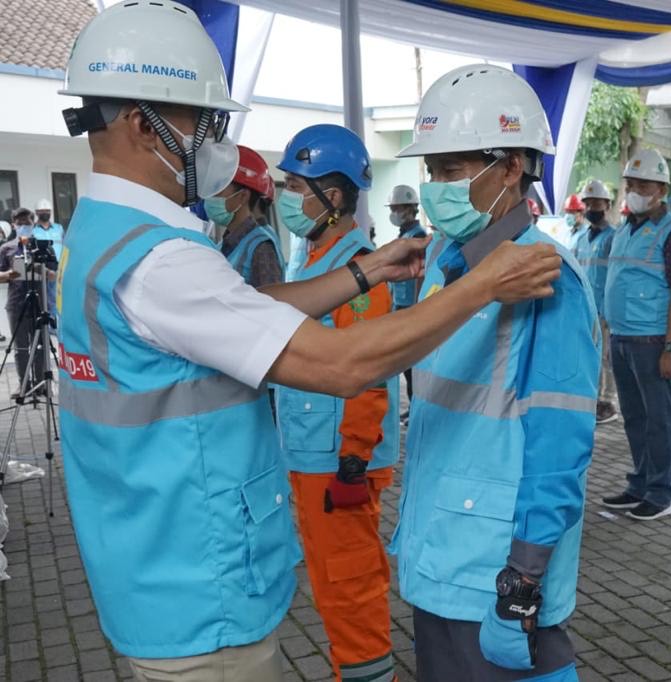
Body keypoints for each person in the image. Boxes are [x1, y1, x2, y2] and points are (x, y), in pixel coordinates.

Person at [55, 5, 562, 680]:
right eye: (205, 124)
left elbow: (240, 312)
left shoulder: (106, 235)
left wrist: (364, 271)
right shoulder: (162, 259)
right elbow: (343, 364)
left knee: (350, 587)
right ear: (142, 124)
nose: (219, 146)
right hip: (199, 590)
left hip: (158, 562)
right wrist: (480, 287)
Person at [392, 63, 600, 682]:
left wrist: (525, 574)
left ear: (511, 167)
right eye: (431, 172)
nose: (436, 189)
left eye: (452, 171)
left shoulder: (548, 279)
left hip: (494, 573)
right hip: (438, 551)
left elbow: (560, 443)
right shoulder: (444, 264)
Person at [272, 124, 400, 682]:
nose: (287, 198)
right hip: (309, 455)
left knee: (350, 585)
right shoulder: (313, 257)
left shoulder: (362, 266)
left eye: (297, 187)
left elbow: (369, 372)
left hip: (338, 463)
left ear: (337, 195)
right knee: (329, 583)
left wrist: (353, 459)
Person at [601, 148, 671, 521]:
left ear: (661, 188)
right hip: (623, 337)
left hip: (653, 340)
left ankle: (661, 492)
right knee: (636, 417)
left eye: (642, 184)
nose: (634, 190)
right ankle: (639, 482)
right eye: (630, 184)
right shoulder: (625, 230)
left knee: (660, 418)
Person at [206, 145, 285, 288]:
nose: (211, 196)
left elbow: (271, 305)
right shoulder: (226, 243)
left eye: (218, 189)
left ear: (242, 196)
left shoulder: (261, 248)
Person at [576, 179, 618, 425]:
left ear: (607, 205)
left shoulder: (614, 238)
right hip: (585, 308)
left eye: (596, 202)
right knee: (589, 355)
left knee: (606, 358)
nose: (591, 207)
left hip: (604, 308)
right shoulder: (581, 238)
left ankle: (607, 401)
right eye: (588, 202)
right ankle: (592, 398)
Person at [387, 183, 427, 420]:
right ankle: (413, 406)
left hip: (410, 305)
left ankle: (416, 407)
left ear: (409, 209)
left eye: (396, 208)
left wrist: (417, 308)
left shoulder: (418, 236)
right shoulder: (404, 235)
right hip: (399, 304)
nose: (393, 213)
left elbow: (420, 275)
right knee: (406, 366)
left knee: (412, 366)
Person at [1, 208, 42, 391]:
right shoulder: (6, 248)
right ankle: (24, 384)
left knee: (39, 345)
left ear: (33, 224)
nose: (23, 226)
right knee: (21, 347)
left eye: (27, 223)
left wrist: (42, 271)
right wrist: (12, 274)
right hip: (16, 303)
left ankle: (41, 383)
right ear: (13, 225)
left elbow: (54, 272)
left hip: (39, 303)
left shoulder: (42, 245)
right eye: (20, 223)